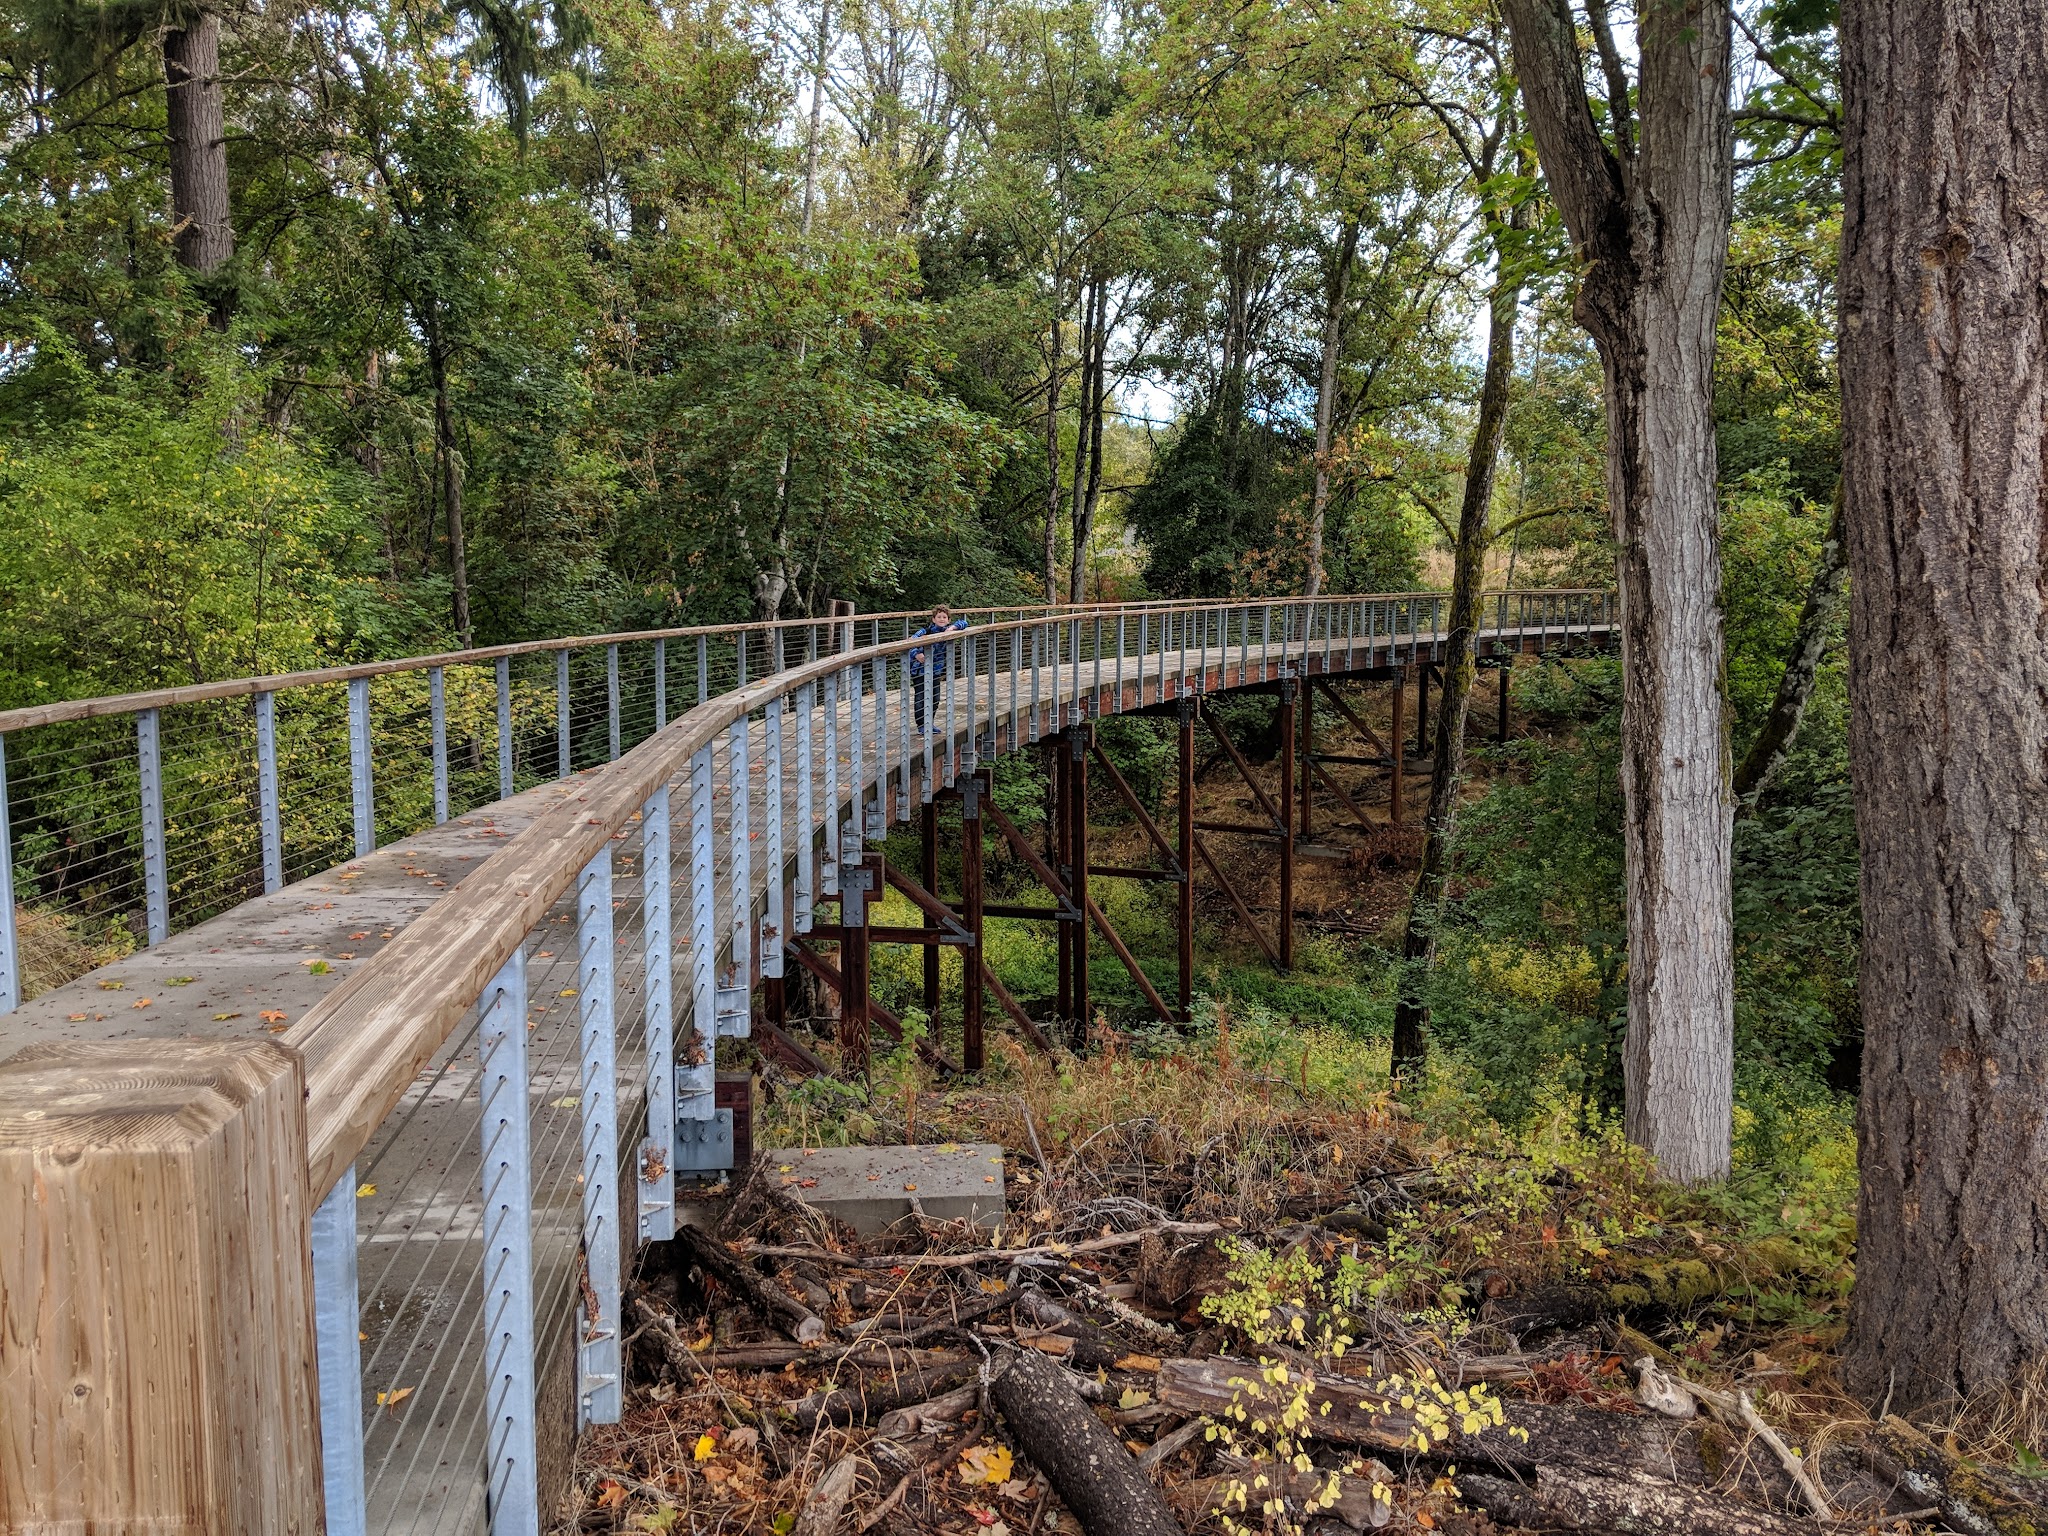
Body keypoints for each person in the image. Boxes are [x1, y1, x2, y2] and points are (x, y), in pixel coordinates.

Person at [907, 604, 969, 734]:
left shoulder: (948, 630)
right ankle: (921, 725)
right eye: (939, 617)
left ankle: (930, 723)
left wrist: (953, 628)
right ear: (933, 619)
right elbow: (910, 641)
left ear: (948, 620)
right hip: (920, 669)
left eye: (944, 617)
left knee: (935, 698)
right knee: (921, 697)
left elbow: (964, 622)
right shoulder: (926, 631)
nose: (942, 619)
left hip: (935, 670)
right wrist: (916, 654)